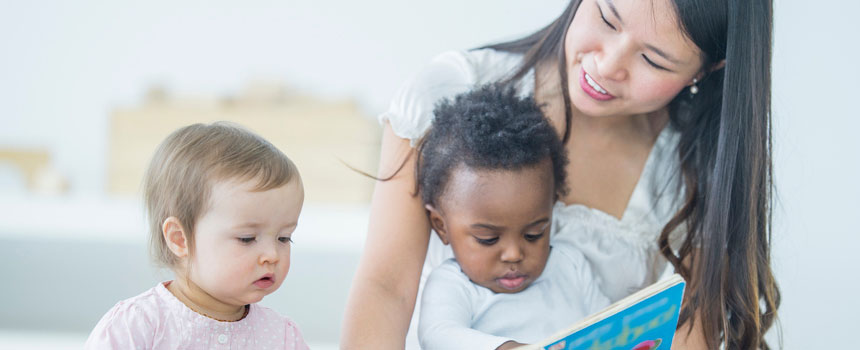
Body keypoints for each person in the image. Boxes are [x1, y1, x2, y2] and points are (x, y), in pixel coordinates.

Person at [341, 0, 780, 348]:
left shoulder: (696, 170)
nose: (608, 65)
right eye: (607, 18)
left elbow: (689, 335)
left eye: (654, 60)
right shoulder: (450, 91)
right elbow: (387, 288)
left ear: (705, 71)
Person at [414, 85, 610, 350]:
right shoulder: (454, 285)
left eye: (534, 234)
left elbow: (608, 326)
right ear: (441, 226)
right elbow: (438, 335)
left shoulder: (570, 266)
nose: (514, 254)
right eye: (488, 239)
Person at [85, 122, 310, 350]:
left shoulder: (282, 337)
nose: (272, 255)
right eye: (247, 238)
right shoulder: (137, 326)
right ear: (179, 239)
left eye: (284, 238)